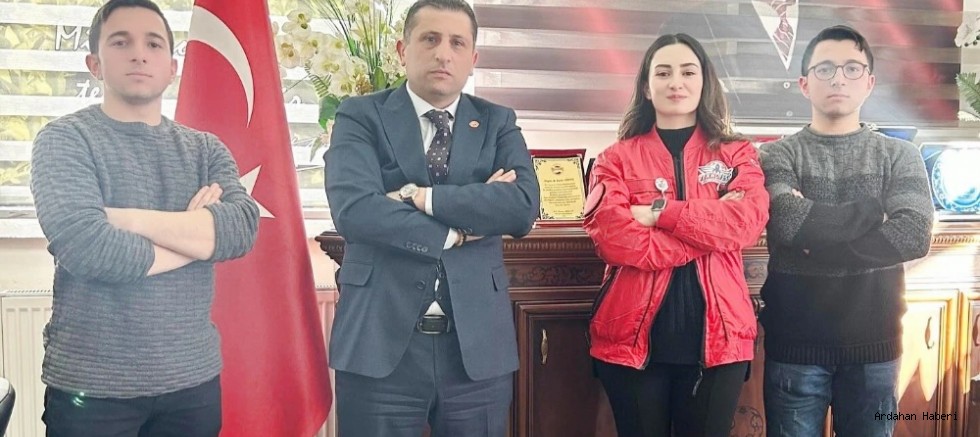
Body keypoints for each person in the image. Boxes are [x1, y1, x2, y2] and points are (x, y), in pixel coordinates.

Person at [29, 0, 259, 435]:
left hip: (192, 383)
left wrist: (126, 219)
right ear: (94, 64)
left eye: (153, 44)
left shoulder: (205, 150)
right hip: (92, 388)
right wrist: (196, 241)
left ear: (172, 68)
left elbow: (241, 230)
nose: (139, 54)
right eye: (121, 42)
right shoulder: (64, 141)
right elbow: (90, 249)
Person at [323, 0, 540, 435]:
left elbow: (520, 207)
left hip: (476, 354)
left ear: (473, 58)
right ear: (402, 50)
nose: (444, 53)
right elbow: (356, 211)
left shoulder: (497, 122)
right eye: (430, 39)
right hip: (379, 347)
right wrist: (457, 232)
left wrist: (419, 197)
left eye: (457, 43)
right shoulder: (360, 115)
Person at [582, 33, 770, 437]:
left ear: (704, 82)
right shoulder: (615, 159)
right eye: (663, 73)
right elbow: (616, 240)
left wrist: (660, 213)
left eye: (688, 72)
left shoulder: (737, 153)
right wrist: (708, 231)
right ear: (646, 87)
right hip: (629, 343)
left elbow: (745, 224)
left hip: (721, 342)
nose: (676, 83)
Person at [759, 25, 933, 437]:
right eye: (825, 69)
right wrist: (874, 212)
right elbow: (787, 221)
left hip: (875, 348)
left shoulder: (900, 155)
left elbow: (914, 234)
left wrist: (813, 241)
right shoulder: (775, 155)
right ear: (804, 84)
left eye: (852, 68)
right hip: (795, 347)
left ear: (869, 82)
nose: (839, 78)